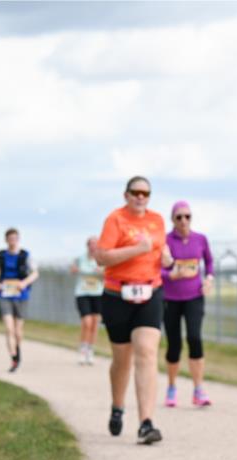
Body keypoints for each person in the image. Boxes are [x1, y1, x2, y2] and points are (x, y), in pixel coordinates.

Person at [94, 176, 169, 444]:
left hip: (150, 292)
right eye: (136, 192)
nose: (141, 197)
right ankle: (117, 407)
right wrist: (137, 249)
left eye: (146, 193)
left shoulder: (158, 220)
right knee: (121, 360)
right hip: (117, 294)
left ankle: (146, 423)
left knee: (147, 352)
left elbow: (161, 247)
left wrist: (167, 256)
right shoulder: (115, 220)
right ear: (126, 195)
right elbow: (102, 257)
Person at [162, 201, 215, 407]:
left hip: (194, 296)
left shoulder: (200, 239)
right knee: (174, 344)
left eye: (187, 216)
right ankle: (172, 387)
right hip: (170, 299)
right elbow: (157, 269)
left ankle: (198, 389)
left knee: (194, 337)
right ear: (173, 219)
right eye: (179, 217)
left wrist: (209, 278)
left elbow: (209, 262)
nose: (183, 220)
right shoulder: (165, 241)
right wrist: (171, 274)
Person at [0, 228, 39, 372]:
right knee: (9, 327)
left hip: (21, 294)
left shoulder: (26, 255)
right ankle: (13, 358)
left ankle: (17, 350)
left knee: (18, 330)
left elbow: (35, 273)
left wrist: (24, 283)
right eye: (10, 238)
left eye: (15, 238)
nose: (12, 241)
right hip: (4, 294)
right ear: (6, 240)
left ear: (18, 239)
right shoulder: (1, 255)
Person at [71, 237, 104, 365]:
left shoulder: (102, 259)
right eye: (91, 244)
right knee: (87, 322)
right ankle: (83, 349)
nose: (93, 246)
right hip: (83, 293)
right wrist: (76, 270)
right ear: (87, 245)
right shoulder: (80, 259)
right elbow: (72, 270)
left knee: (95, 324)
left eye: (96, 244)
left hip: (98, 293)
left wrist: (101, 272)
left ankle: (90, 349)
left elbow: (108, 274)